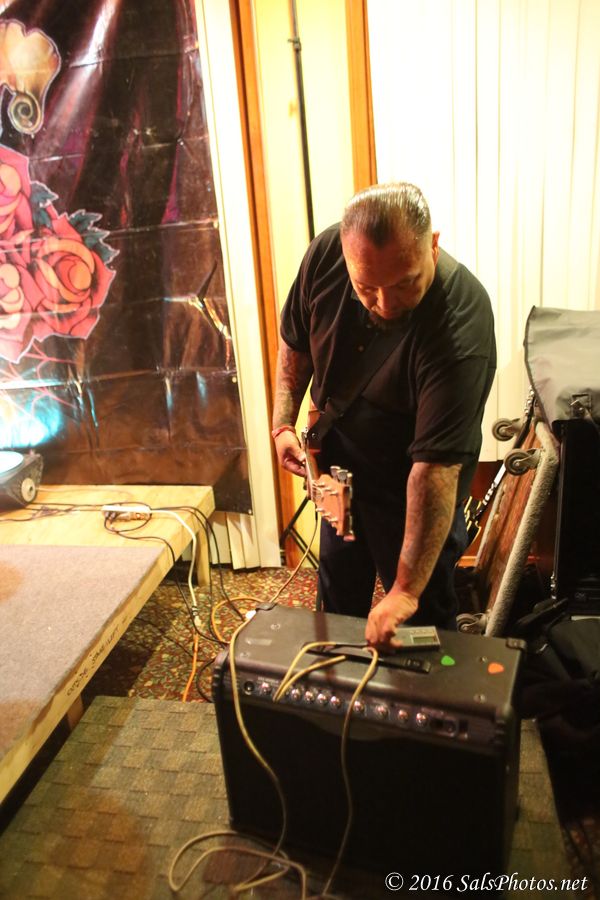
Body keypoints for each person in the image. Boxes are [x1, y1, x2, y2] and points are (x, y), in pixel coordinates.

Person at [271, 182, 496, 647]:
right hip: (339, 474)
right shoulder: (325, 255)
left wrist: (405, 591)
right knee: (338, 604)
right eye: (367, 288)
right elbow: (295, 342)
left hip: (411, 489)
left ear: (433, 245)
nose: (387, 304)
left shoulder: (461, 319)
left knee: (421, 625)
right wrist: (281, 423)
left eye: (404, 283)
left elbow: (433, 471)